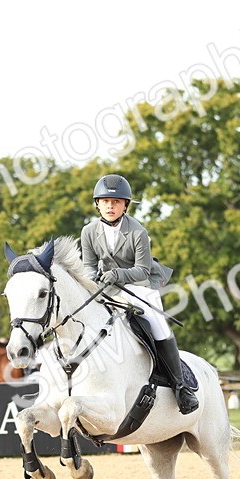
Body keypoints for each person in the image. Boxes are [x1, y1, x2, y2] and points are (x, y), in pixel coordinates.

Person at [77, 174, 196, 414]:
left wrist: (118, 275)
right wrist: (92, 281)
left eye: (117, 202)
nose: (110, 206)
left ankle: (180, 387)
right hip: (107, 285)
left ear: (125, 205)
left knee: (158, 324)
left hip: (140, 283)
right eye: (105, 202)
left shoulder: (138, 232)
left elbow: (142, 269)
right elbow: (88, 266)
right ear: (97, 204)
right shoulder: (89, 231)